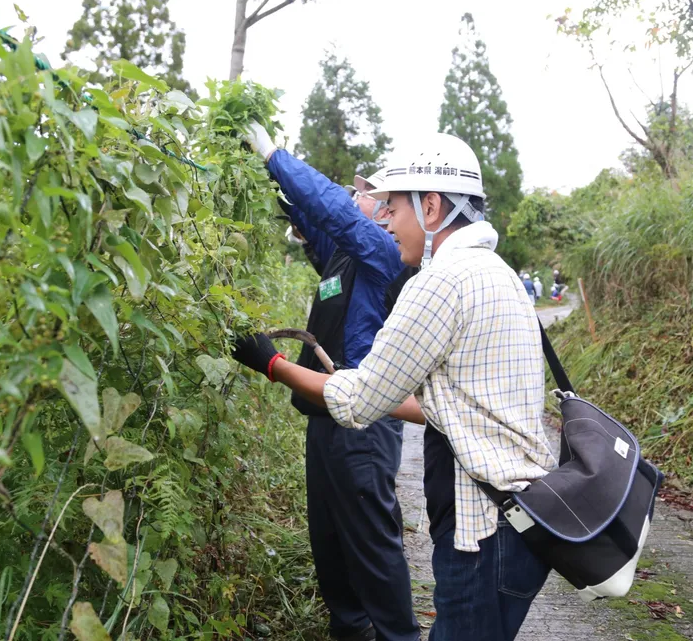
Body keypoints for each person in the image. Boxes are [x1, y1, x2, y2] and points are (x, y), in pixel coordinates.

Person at [232, 133, 556, 641]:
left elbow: (361, 400)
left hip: (482, 527)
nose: (386, 218)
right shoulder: (497, 274)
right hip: (516, 523)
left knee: (373, 542)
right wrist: (274, 186)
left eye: (392, 206)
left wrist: (271, 364)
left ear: (431, 207)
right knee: (336, 537)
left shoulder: (438, 278)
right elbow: (455, 403)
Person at [243, 123, 420, 641]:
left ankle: (396, 635)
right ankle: (350, 629)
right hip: (325, 416)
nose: (356, 196)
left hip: (363, 426)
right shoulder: (343, 255)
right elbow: (314, 215)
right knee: (329, 536)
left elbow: (333, 210)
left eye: (367, 193)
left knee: (369, 539)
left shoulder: (382, 254)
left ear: (386, 211)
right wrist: (268, 176)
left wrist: (277, 156)